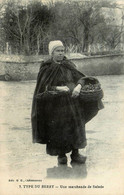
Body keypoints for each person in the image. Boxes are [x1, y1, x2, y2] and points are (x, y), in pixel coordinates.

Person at [31, 40, 103, 164]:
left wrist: (79, 86)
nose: (61, 53)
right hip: (55, 106)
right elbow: (42, 88)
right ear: (52, 53)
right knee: (58, 129)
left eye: (62, 51)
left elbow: (81, 78)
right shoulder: (46, 68)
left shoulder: (68, 65)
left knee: (76, 126)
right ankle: (61, 155)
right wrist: (58, 88)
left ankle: (75, 154)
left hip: (73, 102)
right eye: (58, 51)